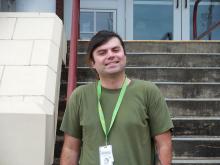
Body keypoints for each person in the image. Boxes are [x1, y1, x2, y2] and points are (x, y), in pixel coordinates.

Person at [60, 30, 173, 165]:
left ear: (124, 55)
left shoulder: (148, 92)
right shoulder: (79, 96)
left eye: (115, 50)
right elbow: (70, 149)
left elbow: (164, 145)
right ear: (92, 63)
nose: (111, 55)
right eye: (102, 52)